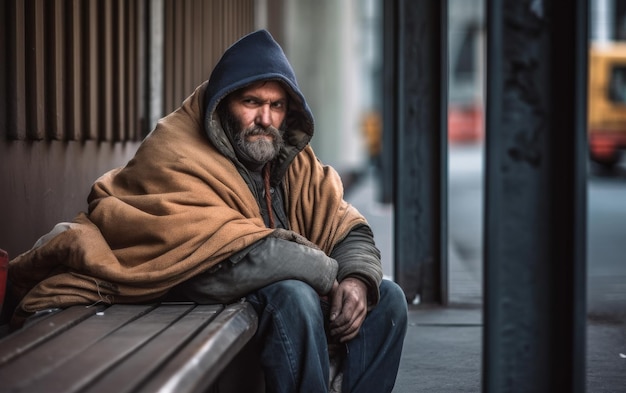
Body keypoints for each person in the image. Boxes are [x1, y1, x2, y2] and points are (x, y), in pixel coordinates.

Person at [7, 30, 408, 392]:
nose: (265, 119)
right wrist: (326, 275)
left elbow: (346, 225)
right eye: (251, 102)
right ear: (222, 104)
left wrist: (355, 280)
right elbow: (216, 256)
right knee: (294, 294)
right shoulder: (176, 149)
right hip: (196, 287)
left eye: (277, 105)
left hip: (282, 294)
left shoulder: (290, 158)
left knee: (387, 297)